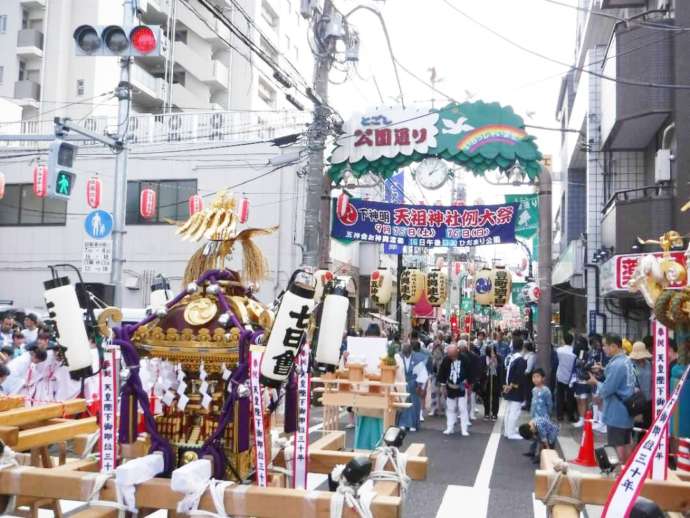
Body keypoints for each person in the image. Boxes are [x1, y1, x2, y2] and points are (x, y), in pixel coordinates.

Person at [587, 334, 636, 464]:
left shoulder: (616, 365)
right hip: (627, 408)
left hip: (616, 411)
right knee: (626, 442)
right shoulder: (627, 361)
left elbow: (606, 389)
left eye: (605, 345)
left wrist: (595, 382)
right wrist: (603, 370)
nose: (603, 348)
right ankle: (627, 471)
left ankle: (617, 474)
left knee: (616, 445)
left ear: (614, 346)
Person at [396, 339, 428, 432]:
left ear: (410, 350)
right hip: (402, 382)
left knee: (414, 404)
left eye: (407, 351)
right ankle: (402, 423)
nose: (405, 353)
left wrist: (419, 385)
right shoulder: (398, 357)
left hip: (413, 383)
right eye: (404, 351)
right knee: (403, 404)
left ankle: (413, 424)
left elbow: (422, 373)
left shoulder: (417, 358)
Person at [438, 343, 469, 436]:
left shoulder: (464, 359)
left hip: (462, 387)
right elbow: (442, 373)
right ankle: (450, 427)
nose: (451, 357)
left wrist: (469, 384)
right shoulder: (446, 359)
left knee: (462, 408)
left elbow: (470, 372)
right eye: (449, 355)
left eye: (452, 355)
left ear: (457, 351)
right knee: (450, 408)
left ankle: (464, 429)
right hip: (450, 386)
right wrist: (443, 387)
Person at [503, 338, 527, 439]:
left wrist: (507, 385)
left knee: (509, 410)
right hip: (516, 388)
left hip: (509, 386)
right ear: (522, 347)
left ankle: (507, 430)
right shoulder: (520, 360)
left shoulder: (511, 357)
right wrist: (511, 385)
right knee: (514, 411)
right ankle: (511, 432)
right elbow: (519, 375)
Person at [629, 341, 653, 438]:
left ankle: (642, 446)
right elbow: (628, 383)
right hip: (637, 400)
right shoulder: (630, 365)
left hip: (649, 400)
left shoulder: (649, 364)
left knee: (647, 425)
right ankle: (632, 448)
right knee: (635, 425)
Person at [555, 333, 578, 422]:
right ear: (572, 341)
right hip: (570, 378)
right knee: (570, 397)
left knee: (559, 396)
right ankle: (570, 416)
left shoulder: (559, 350)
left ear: (563, 340)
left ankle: (559, 415)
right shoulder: (574, 352)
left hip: (560, 375)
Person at [481, 344, 504, 421]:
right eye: (491, 352)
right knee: (486, 397)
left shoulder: (499, 357)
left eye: (494, 351)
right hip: (486, 379)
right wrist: (489, 364)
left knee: (495, 397)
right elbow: (481, 369)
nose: (492, 353)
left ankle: (494, 413)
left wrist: (496, 362)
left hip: (495, 378)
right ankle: (486, 413)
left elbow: (501, 369)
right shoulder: (483, 358)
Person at [426, 333, 446, 417]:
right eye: (436, 338)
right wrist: (434, 347)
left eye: (439, 338)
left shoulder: (445, 345)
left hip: (442, 370)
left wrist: (441, 347)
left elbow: (446, 356)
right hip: (433, 370)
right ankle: (434, 408)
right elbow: (428, 355)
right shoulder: (431, 345)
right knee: (433, 390)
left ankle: (442, 409)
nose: (437, 340)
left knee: (442, 391)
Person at [522, 341, 537, 411]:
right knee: (526, 391)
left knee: (528, 391)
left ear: (526, 348)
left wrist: (523, 373)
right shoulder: (527, 355)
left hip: (528, 376)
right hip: (526, 376)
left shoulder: (531, 356)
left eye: (524, 347)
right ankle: (526, 404)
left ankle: (528, 405)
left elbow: (529, 369)